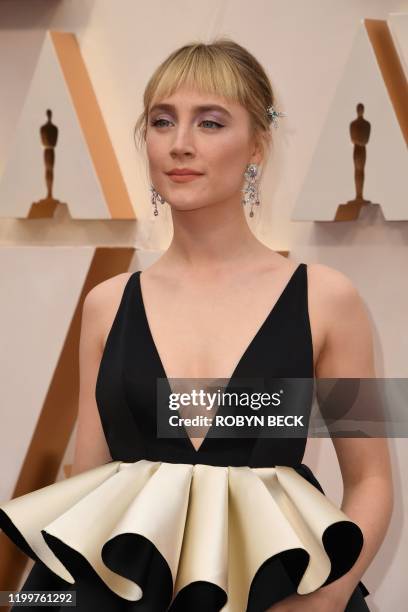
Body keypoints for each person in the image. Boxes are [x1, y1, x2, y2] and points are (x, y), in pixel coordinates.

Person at [0, 38, 393, 612]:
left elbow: (372, 481)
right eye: (163, 121)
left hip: (280, 594)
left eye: (210, 123)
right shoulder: (107, 306)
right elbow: (89, 485)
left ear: (256, 145)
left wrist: (325, 601)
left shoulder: (329, 300)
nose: (180, 144)